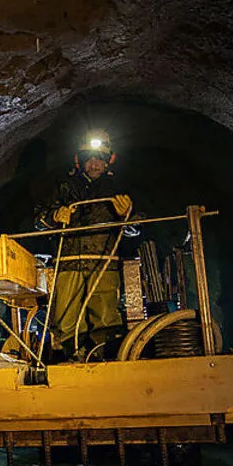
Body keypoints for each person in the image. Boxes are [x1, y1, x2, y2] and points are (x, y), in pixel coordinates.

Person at [35, 130, 133, 361]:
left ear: (109, 160)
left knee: (105, 315)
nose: (94, 164)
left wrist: (127, 215)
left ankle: (105, 358)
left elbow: (138, 226)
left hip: (104, 263)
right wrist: (54, 217)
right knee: (66, 317)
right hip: (68, 263)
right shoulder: (63, 187)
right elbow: (38, 221)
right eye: (89, 159)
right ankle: (72, 359)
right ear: (79, 160)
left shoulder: (119, 188)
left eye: (99, 158)